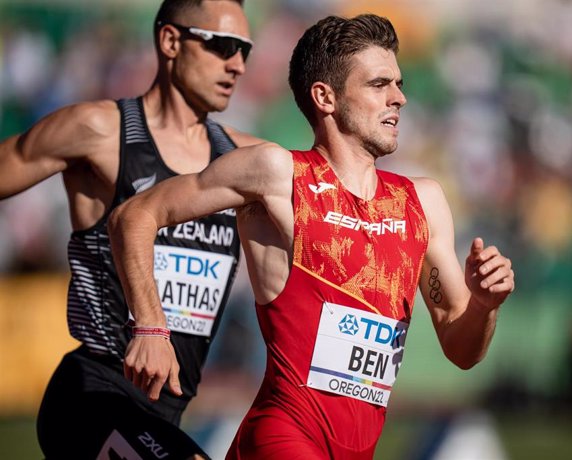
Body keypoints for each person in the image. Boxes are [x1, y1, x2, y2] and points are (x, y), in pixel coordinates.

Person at [109, 13, 515, 459]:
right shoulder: (276, 174)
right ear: (325, 97)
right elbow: (135, 216)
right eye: (379, 85)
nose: (398, 98)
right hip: (283, 436)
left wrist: (483, 305)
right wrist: (150, 326)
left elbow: (462, 350)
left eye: (398, 84)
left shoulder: (423, 201)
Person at [0, 1, 261, 458]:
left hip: (166, 411)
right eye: (222, 46)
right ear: (170, 41)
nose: (236, 65)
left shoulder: (245, 160)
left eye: (245, 51)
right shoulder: (98, 130)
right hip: (92, 395)